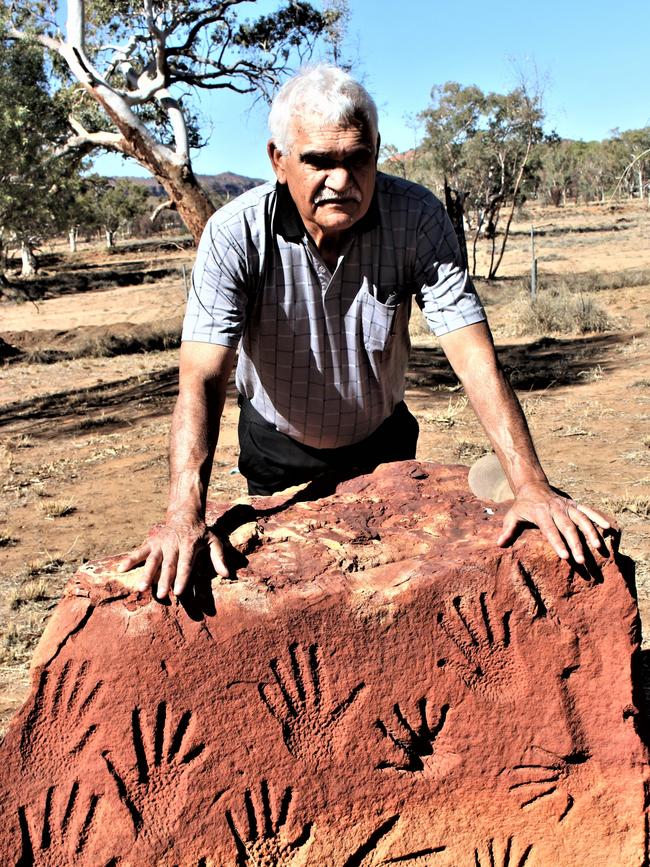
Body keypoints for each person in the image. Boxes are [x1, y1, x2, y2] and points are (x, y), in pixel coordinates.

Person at [118, 65, 611, 599]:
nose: (341, 181)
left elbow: (473, 356)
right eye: (319, 162)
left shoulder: (417, 217)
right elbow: (202, 376)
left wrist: (531, 487)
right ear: (278, 161)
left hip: (384, 441)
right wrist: (183, 516)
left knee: (394, 594)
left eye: (358, 159)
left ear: (376, 151)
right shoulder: (234, 234)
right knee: (295, 596)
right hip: (277, 447)